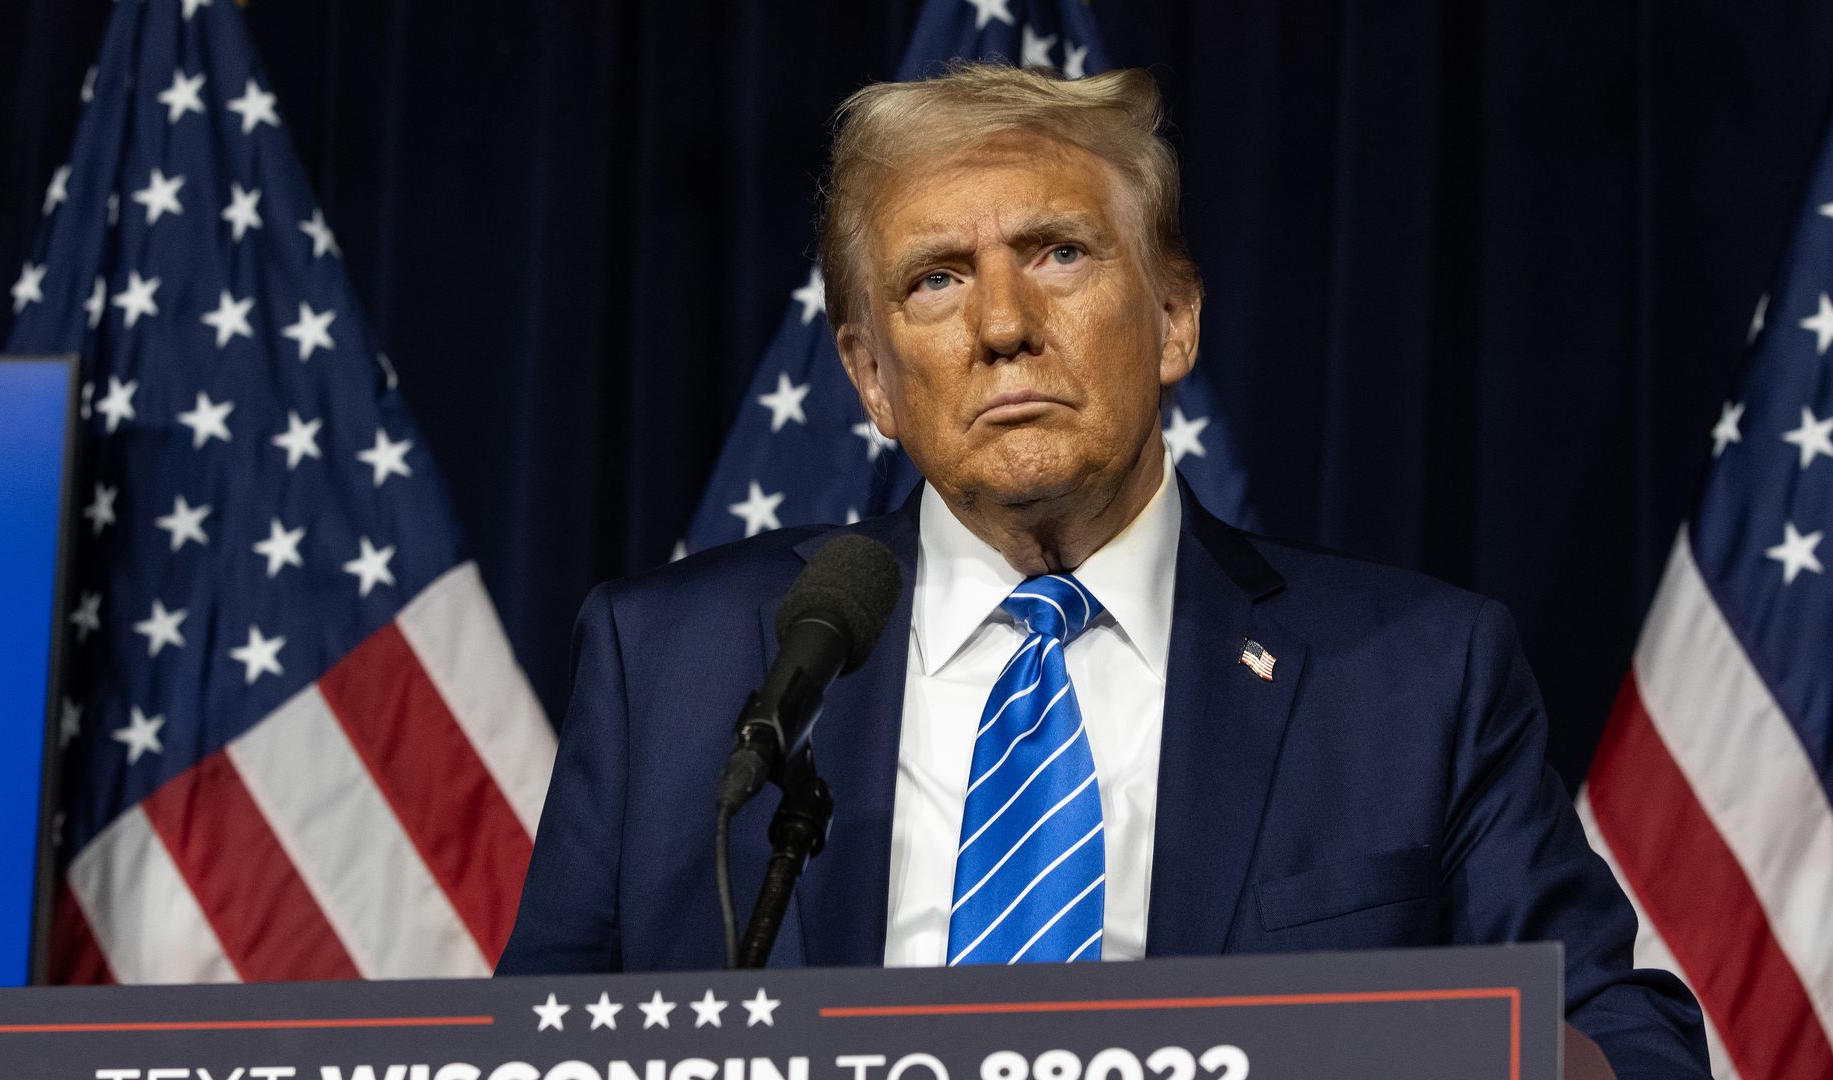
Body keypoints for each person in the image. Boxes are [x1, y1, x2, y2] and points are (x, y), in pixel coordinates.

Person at [499, 63, 1708, 1076]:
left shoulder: (1414, 678)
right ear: (870, 374)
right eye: (936, 280)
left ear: (1175, 317)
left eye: (1060, 253)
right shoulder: (674, 664)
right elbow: (523, 1052)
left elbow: (1629, 1038)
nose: (1003, 325)